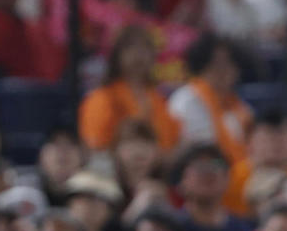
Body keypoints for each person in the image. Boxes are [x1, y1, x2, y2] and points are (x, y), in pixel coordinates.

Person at [78, 24, 182, 154]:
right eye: (131, 47)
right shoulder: (103, 97)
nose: (139, 54)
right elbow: (95, 146)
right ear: (117, 55)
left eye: (145, 48)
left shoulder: (160, 98)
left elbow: (171, 142)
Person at [168, 33, 253, 166]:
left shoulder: (240, 107)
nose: (224, 71)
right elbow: (201, 148)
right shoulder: (188, 99)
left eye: (230, 64)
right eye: (217, 65)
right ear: (202, 66)